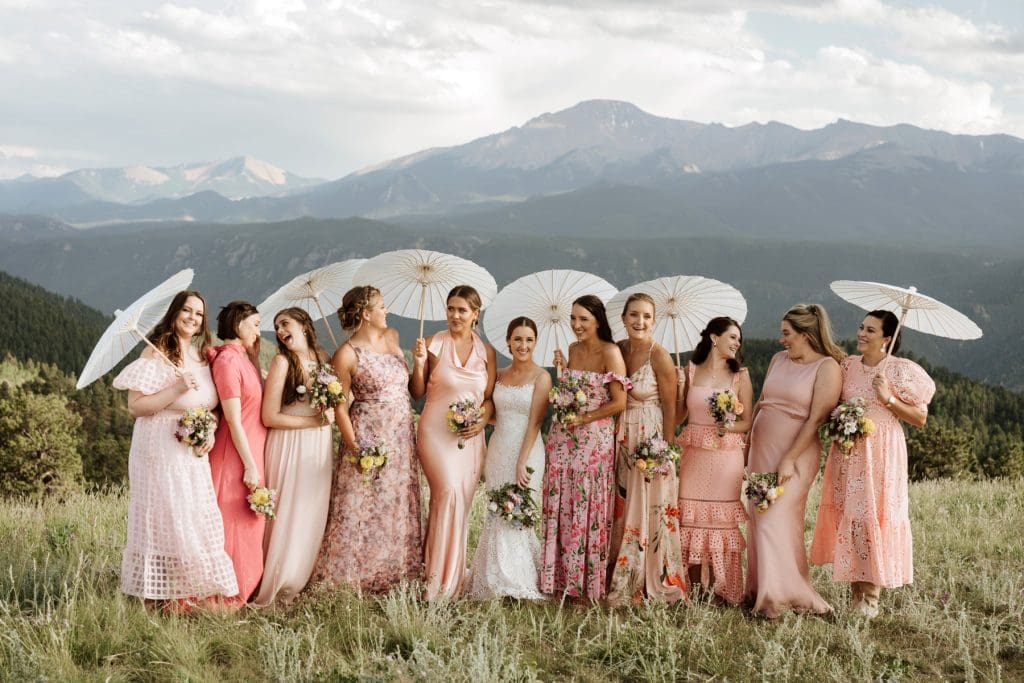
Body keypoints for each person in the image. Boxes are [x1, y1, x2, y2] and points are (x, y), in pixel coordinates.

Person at [113, 290, 238, 609]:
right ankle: (162, 594)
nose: (192, 317)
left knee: (193, 513)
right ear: (174, 313)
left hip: (192, 450)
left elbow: (207, 406)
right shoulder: (154, 354)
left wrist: (208, 427)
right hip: (160, 445)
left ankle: (193, 589)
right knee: (168, 513)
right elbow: (137, 407)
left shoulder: (200, 356)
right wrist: (176, 388)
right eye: (186, 310)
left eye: (198, 313)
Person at [810, 310, 935, 617]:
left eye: (871, 330)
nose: (862, 334)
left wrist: (888, 398)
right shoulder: (848, 365)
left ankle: (871, 598)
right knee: (851, 513)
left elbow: (919, 418)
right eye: (861, 327)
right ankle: (856, 594)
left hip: (881, 452)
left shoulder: (899, 370)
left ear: (887, 339)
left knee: (874, 514)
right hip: (849, 452)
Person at [314, 286, 423, 592]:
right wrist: (355, 449)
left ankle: (396, 574)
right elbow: (340, 407)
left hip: (401, 436)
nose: (386, 311)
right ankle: (356, 578)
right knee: (363, 505)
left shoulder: (393, 337)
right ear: (366, 314)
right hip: (369, 436)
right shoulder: (346, 354)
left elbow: (414, 392)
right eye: (382, 306)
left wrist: (421, 363)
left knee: (396, 505)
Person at [745, 303, 843, 618]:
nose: (781, 340)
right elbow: (762, 401)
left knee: (775, 517)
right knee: (760, 519)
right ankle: (764, 588)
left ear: (805, 334)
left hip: (796, 454)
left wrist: (789, 458)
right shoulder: (778, 360)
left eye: (786, 334)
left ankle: (778, 598)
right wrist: (747, 440)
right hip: (761, 450)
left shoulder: (827, 367)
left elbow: (816, 419)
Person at [410, 284, 497, 600]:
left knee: (460, 503)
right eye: (450, 309)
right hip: (435, 433)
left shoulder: (486, 351)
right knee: (446, 493)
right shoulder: (433, 343)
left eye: (462, 310)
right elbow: (417, 392)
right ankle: (435, 583)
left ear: (475, 314)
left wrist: (481, 422)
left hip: (470, 438)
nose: (455, 315)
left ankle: (451, 576)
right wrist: (419, 363)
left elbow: (489, 399)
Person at [540, 294, 628, 601]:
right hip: (563, 436)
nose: (577, 326)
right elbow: (568, 392)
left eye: (584, 320)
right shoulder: (573, 350)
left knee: (585, 504)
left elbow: (620, 402)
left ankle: (585, 585)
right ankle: (560, 579)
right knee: (561, 501)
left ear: (598, 321)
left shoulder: (610, 352)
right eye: (573, 319)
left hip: (594, 439)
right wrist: (561, 373)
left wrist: (586, 417)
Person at [607, 293, 686, 606]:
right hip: (622, 433)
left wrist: (663, 454)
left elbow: (670, 409)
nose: (639, 322)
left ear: (654, 321)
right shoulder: (618, 350)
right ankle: (617, 567)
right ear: (624, 318)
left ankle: (643, 576)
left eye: (646, 317)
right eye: (634, 315)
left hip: (649, 435)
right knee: (622, 504)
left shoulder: (660, 355)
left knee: (646, 505)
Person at [252, 308, 334, 605]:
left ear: (304, 325)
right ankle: (276, 580)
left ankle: (300, 579)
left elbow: (336, 399)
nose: (280, 330)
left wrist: (334, 408)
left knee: (311, 510)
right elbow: (270, 416)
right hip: (289, 442)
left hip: (318, 445)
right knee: (287, 511)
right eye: (276, 326)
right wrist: (313, 422)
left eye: (285, 323)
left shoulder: (324, 358)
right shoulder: (281, 362)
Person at [467, 317, 551, 600]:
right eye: (518, 339)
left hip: (527, 451)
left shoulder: (542, 377)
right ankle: (493, 576)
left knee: (520, 510)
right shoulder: (500, 375)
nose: (523, 345)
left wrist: (521, 461)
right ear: (508, 342)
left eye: (528, 340)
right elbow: (491, 411)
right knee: (497, 511)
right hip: (499, 448)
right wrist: (474, 420)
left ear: (535, 343)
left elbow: (536, 422)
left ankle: (519, 578)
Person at [675, 316, 753, 605]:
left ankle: (722, 590)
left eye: (739, 340)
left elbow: (748, 422)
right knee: (690, 522)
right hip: (694, 455)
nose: (737, 343)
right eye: (732, 337)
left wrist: (727, 427)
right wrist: (678, 387)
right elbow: (679, 417)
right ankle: (694, 589)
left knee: (721, 525)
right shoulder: (691, 371)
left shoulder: (740, 376)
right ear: (713, 338)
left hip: (726, 458)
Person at [207, 300, 267, 608]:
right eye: (255, 324)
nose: (259, 331)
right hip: (235, 456)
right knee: (232, 526)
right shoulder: (227, 361)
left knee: (248, 525)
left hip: (250, 450)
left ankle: (239, 593)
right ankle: (224, 599)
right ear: (238, 323)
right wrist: (249, 465)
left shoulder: (242, 358)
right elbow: (232, 417)